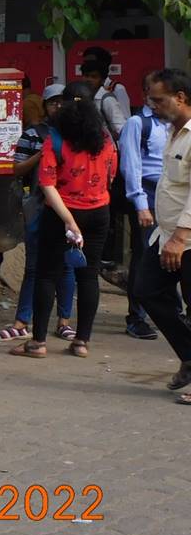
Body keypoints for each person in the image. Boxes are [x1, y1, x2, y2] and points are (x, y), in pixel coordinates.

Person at [11, 81, 117, 359]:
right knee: (89, 275)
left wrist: (69, 220)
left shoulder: (55, 139)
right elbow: (111, 176)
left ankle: (38, 343)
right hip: (98, 214)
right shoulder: (104, 140)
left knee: (47, 275)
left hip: (60, 215)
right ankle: (81, 342)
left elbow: (47, 184)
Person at [0, 83, 77, 344]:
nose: (58, 106)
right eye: (53, 102)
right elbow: (17, 169)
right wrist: (41, 155)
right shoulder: (33, 133)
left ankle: (64, 321)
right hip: (39, 206)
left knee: (67, 266)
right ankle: (22, 322)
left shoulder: (77, 134)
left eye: (63, 101)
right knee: (34, 265)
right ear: (45, 106)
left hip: (69, 208)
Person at [132, 69, 191, 402]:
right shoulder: (172, 131)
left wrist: (180, 238)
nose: (151, 105)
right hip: (165, 234)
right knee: (146, 290)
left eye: (158, 99)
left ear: (180, 97)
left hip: (184, 238)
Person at [118, 71, 168, 340]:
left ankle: (170, 312)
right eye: (150, 93)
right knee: (144, 255)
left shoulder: (177, 123)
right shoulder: (138, 124)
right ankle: (136, 317)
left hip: (174, 196)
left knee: (177, 254)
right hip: (147, 194)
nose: (155, 100)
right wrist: (140, 203)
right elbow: (131, 166)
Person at [82, 56, 130, 283]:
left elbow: (121, 129)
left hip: (108, 161)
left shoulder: (107, 100)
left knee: (108, 209)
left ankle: (108, 256)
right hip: (88, 161)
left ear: (101, 78)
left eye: (93, 76)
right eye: (86, 76)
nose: (89, 80)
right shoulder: (84, 99)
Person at [82, 46, 131, 117]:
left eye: (92, 62)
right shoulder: (83, 89)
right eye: (85, 62)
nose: (88, 65)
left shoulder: (116, 88)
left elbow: (126, 117)